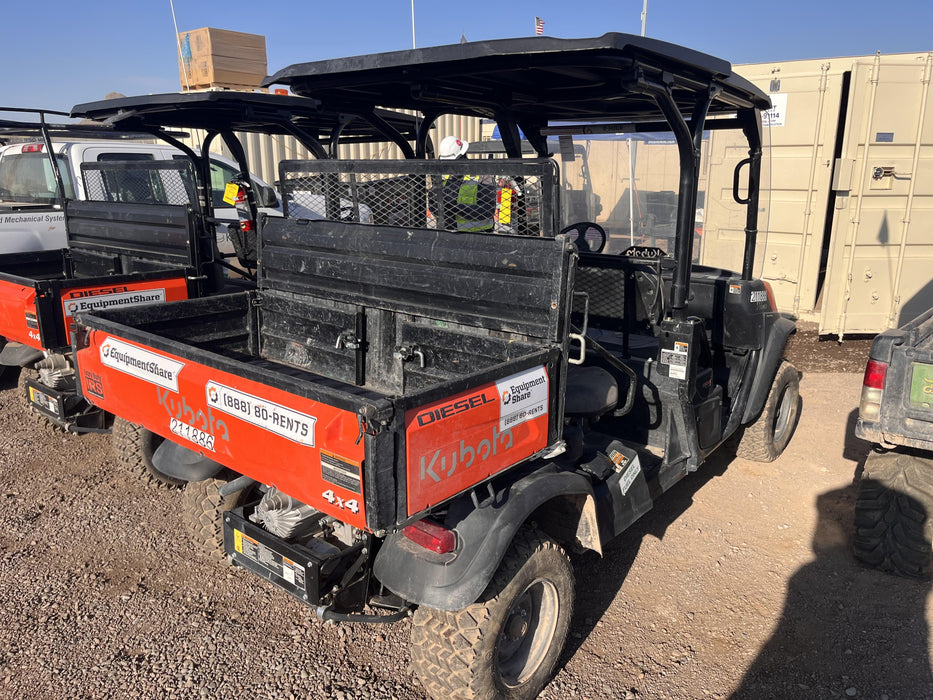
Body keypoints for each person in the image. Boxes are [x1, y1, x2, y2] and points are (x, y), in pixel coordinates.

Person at [437, 136, 497, 232]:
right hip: (449, 233)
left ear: (462, 157)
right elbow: (434, 203)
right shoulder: (445, 177)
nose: (449, 167)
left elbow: (488, 210)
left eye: (452, 163)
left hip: (479, 234)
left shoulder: (482, 175)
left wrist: (457, 209)